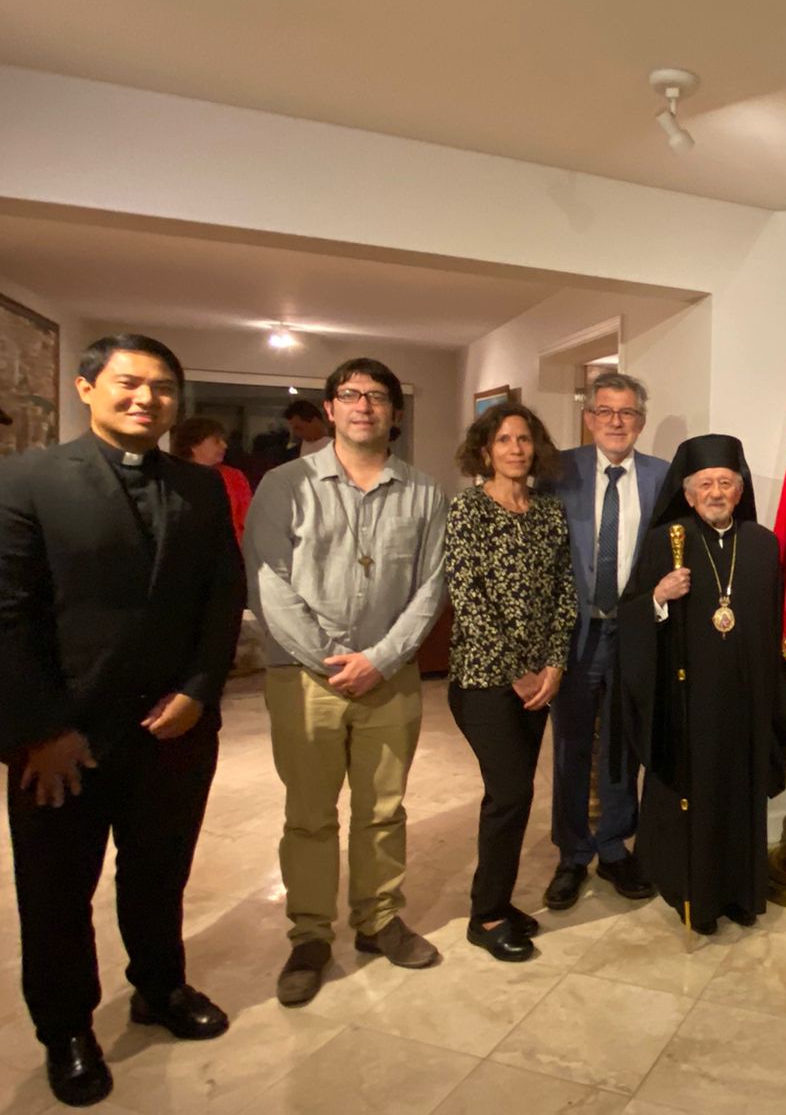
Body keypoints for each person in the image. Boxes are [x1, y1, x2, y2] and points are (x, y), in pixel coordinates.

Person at [0, 334, 243, 1107]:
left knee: (159, 873)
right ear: (85, 387)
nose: (147, 399)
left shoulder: (200, 489)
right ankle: (66, 1029)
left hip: (173, 729)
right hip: (62, 738)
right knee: (56, 890)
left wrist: (201, 690)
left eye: (164, 387)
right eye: (129, 383)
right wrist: (41, 729)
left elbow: (220, 599)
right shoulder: (26, 479)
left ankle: (160, 987)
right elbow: (6, 618)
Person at [244, 357, 447, 1006]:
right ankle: (309, 935)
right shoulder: (283, 485)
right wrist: (332, 659)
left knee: (384, 809)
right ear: (329, 408)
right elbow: (269, 583)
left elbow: (432, 585)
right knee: (308, 815)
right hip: (305, 680)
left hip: (391, 680)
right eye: (351, 395)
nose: (364, 405)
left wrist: (381, 659)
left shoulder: (423, 493)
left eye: (378, 396)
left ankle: (379, 919)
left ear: (394, 412)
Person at [616, 434, 786, 934]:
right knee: (693, 796)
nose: (716, 492)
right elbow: (630, 615)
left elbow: (778, 625)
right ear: (689, 493)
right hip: (689, 704)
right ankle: (694, 892)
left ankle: (743, 893)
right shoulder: (666, 540)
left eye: (726, 482)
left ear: (739, 492)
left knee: (740, 795)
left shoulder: (762, 545)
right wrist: (658, 594)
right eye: (705, 485)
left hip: (746, 701)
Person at [443, 403, 576, 962]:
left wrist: (553, 664)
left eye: (524, 439)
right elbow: (467, 600)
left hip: (540, 680)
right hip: (483, 681)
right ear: (484, 450)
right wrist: (517, 672)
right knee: (511, 793)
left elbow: (565, 590)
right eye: (504, 440)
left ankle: (497, 898)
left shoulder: (548, 512)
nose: (516, 449)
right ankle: (487, 915)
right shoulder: (467, 510)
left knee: (516, 796)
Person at [543, 372, 666, 912]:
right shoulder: (557, 472)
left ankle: (615, 848)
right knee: (571, 744)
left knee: (622, 742)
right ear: (589, 417)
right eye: (606, 411)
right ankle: (572, 854)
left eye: (628, 414)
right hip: (575, 633)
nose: (617, 422)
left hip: (635, 632)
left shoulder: (662, 477)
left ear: (641, 421)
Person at [171, 415, 253, 543]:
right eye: (216, 441)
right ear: (194, 444)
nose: (224, 445)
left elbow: (248, 520)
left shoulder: (234, 477)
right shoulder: (174, 475)